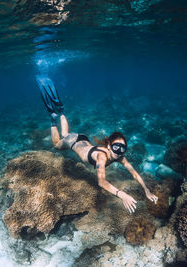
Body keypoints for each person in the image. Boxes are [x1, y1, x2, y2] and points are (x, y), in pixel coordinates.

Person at [36, 76, 158, 213]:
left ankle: (61, 111)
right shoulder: (102, 156)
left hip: (81, 139)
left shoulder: (119, 157)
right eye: (116, 147)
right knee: (57, 144)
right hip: (74, 141)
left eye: (122, 148)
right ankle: (53, 116)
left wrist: (146, 190)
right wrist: (121, 194)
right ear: (109, 145)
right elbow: (101, 181)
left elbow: (134, 174)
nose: (119, 151)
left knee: (65, 133)